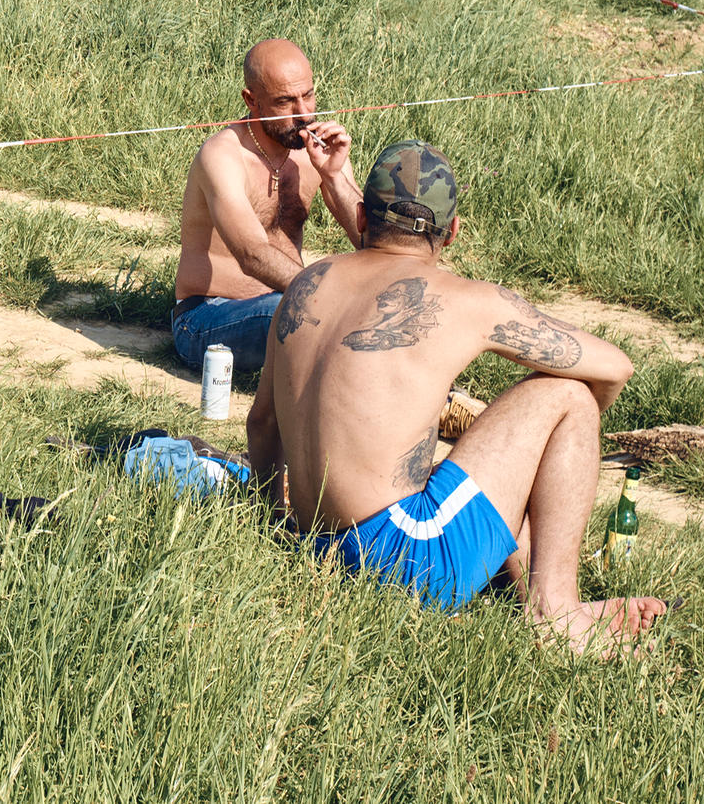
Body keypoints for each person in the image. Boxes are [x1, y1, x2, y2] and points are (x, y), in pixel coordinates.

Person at [246, 140, 669, 651]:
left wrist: (274, 524)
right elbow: (615, 367)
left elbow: (263, 423)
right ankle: (558, 615)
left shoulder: (307, 283)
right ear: (453, 230)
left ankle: (528, 577)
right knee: (570, 397)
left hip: (321, 544)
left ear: (360, 215)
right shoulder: (465, 299)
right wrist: (553, 458)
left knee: (450, 463)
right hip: (407, 559)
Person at [172, 39, 361, 378]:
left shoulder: (317, 151)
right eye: (285, 101)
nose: (303, 113)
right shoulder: (223, 155)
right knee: (306, 314)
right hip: (206, 318)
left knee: (376, 305)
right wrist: (324, 293)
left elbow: (369, 241)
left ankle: (436, 401)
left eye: (308, 95)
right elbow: (252, 254)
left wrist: (334, 177)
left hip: (290, 299)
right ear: (251, 100)